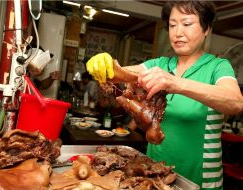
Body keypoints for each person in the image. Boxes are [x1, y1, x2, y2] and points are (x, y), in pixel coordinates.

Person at [85, 1, 243, 189]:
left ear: (206, 28)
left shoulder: (217, 66)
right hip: (154, 177)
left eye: (186, 24)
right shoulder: (158, 65)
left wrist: (176, 83)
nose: (177, 32)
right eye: (172, 25)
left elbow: (235, 102)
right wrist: (105, 65)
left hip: (200, 182)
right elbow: (121, 74)